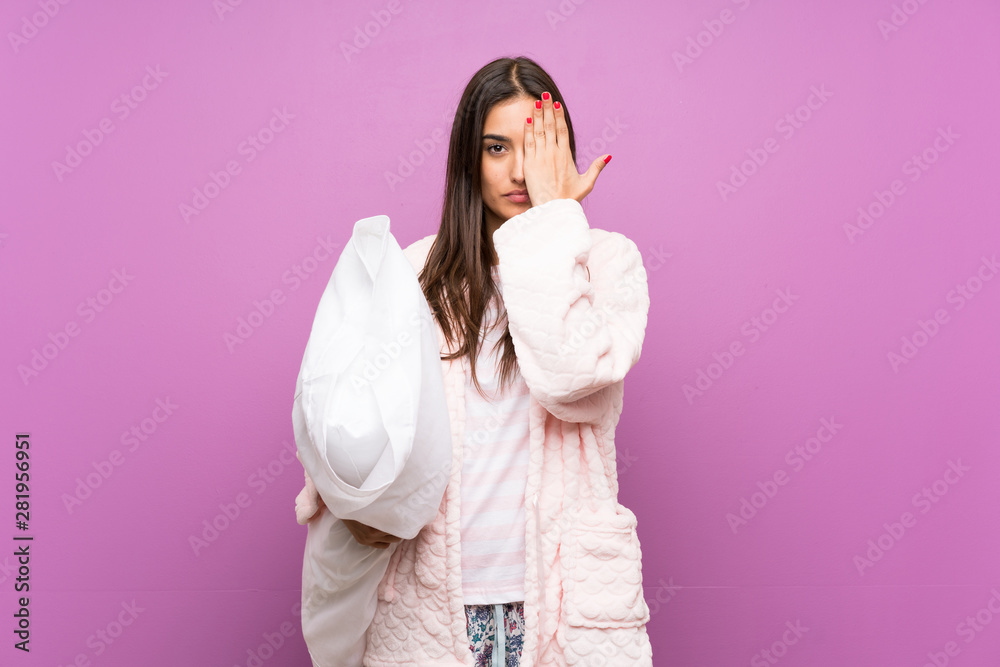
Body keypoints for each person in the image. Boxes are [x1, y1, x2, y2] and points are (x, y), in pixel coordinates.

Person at [294, 55, 653, 666]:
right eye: (496, 148)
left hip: (562, 598)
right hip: (430, 597)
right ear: (469, 157)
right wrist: (354, 504)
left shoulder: (603, 263)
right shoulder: (415, 272)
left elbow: (571, 377)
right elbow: (349, 407)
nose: (519, 171)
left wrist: (552, 224)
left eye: (536, 146)